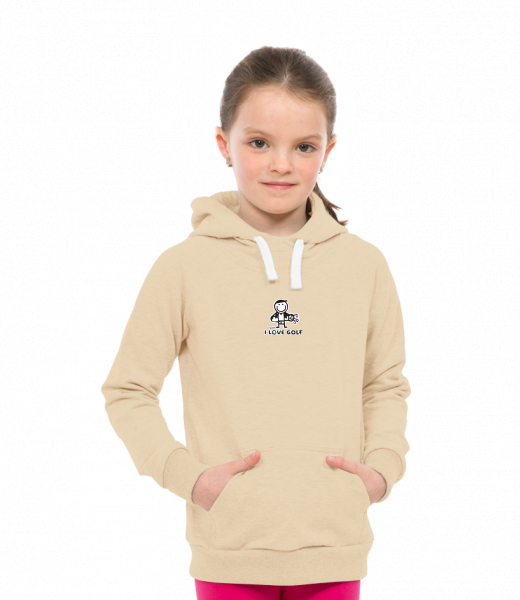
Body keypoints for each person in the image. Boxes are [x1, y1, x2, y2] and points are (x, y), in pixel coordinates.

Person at [101, 46, 411, 600]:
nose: (281, 164)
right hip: (230, 547)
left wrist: (381, 470)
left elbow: (384, 384)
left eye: (304, 146)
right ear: (225, 144)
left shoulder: (364, 266)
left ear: (328, 151)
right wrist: (188, 477)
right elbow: (128, 389)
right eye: (259, 142)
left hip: (334, 543)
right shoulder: (184, 267)